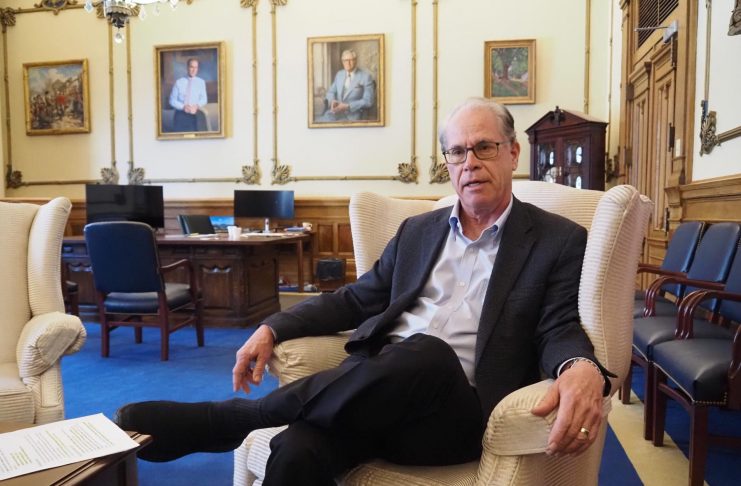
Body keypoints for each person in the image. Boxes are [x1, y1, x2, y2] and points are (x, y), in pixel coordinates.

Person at [117, 97, 610, 485]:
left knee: (427, 352)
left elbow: (559, 326)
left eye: (484, 147)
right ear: (447, 162)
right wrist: (273, 326)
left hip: (455, 413)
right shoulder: (418, 231)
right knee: (295, 451)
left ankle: (234, 419)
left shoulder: (557, 239)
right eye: (457, 152)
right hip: (370, 394)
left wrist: (581, 366)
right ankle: (252, 421)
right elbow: (355, 300)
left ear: (512, 153)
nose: (470, 163)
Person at [319, 49, 376, 122]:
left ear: (355, 60)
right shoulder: (339, 74)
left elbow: (368, 101)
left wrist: (348, 106)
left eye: (350, 60)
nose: (347, 63)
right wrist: (332, 100)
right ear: (342, 61)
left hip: (353, 116)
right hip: (335, 113)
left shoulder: (366, 77)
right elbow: (331, 92)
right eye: (345, 60)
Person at [168, 58, 207, 132]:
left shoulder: (201, 82)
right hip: (180, 115)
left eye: (196, 67)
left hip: (195, 115)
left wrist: (196, 106)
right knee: (178, 137)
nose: (194, 70)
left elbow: (204, 99)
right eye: (191, 67)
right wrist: (183, 107)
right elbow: (172, 100)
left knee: (194, 137)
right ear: (187, 67)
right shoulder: (178, 82)